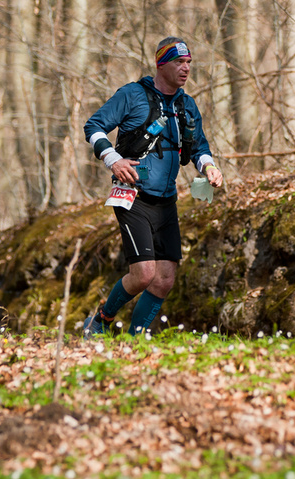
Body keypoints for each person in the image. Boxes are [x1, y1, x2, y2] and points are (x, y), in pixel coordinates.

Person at [82, 37, 224, 336]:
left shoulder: (187, 105)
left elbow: (199, 147)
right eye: (178, 62)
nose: (186, 68)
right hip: (132, 195)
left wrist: (209, 167)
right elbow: (93, 126)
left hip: (167, 200)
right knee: (144, 274)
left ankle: (136, 341)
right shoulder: (132, 95)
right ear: (161, 64)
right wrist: (113, 160)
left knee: (165, 279)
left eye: (188, 63)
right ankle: (100, 322)